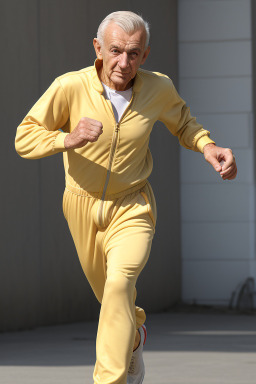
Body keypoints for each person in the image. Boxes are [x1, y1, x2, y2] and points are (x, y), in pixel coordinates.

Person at [15, 10, 237, 384]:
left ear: (145, 55)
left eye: (134, 53)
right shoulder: (70, 86)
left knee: (120, 284)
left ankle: (109, 380)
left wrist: (207, 146)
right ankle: (133, 337)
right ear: (98, 48)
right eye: (116, 51)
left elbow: (183, 122)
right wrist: (65, 138)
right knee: (111, 300)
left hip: (133, 205)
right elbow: (25, 135)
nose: (124, 62)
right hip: (80, 205)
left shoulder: (158, 88)